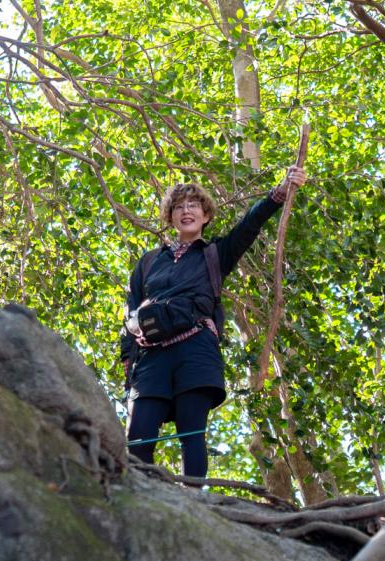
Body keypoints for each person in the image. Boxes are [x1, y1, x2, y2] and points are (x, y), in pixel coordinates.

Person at [121, 166, 307, 478]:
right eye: (178, 206)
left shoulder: (214, 255)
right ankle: (140, 501)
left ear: (206, 215)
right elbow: (130, 313)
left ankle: (194, 505)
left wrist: (279, 193)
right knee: (138, 438)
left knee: (191, 434)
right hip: (152, 356)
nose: (186, 211)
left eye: (193, 205)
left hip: (195, 350)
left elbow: (249, 225)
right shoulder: (150, 262)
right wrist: (129, 360)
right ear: (170, 217)